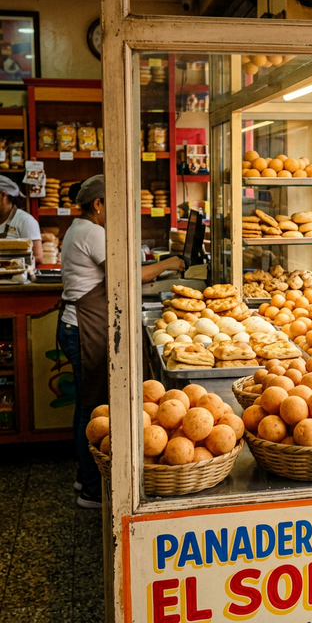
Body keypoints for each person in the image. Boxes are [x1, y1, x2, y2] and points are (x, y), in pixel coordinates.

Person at [57, 175, 185, 508]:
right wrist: (169, 263)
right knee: (92, 407)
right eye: (113, 204)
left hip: (79, 325)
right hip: (85, 328)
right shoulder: (92, 232)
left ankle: (83, 475)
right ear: (98, 204)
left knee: (87, 405)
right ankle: (90, 489)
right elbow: (127, 275)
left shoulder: (79, 229)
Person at [0, 175, 43, 264]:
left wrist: (11, 263)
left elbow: (38, 256)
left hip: (16, 277)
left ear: (3, 195)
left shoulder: (25, 220)